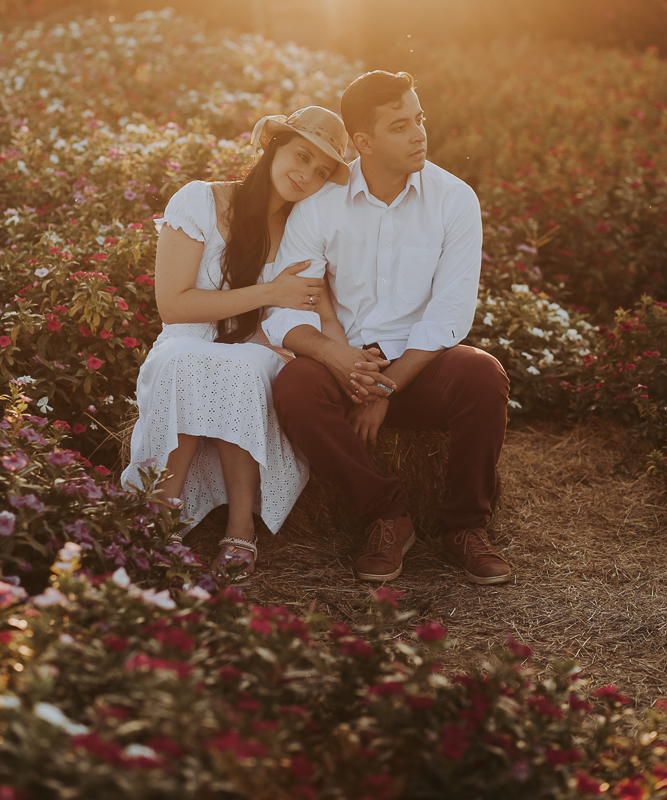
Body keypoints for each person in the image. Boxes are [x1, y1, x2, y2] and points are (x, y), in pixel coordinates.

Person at [264, 71, 511, 585]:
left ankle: (464, 527)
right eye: (400, 126)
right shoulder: (318, 206)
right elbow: (286, 310)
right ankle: (387, 514)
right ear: (364, 142)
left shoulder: (454, 199)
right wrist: (341, 360)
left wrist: (388, 383)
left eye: (419, 119)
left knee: (483, 374)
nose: (419, 133)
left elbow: (450, 314)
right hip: (344, 365)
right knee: (293, 385)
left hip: (421, 369)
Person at [121, 106, 350, 581]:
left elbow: (317, 310)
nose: (307, 175)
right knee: (185, 359)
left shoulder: (302, 231)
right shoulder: (200, 201)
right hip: (185, 338)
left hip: (256, 346)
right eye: (301, 156)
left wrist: (342, 363)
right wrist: (270, 292)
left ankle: (240, 527)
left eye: (322, 171)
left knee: (243, 365)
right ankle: (160, 515)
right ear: (274, 147)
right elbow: (175, 306)